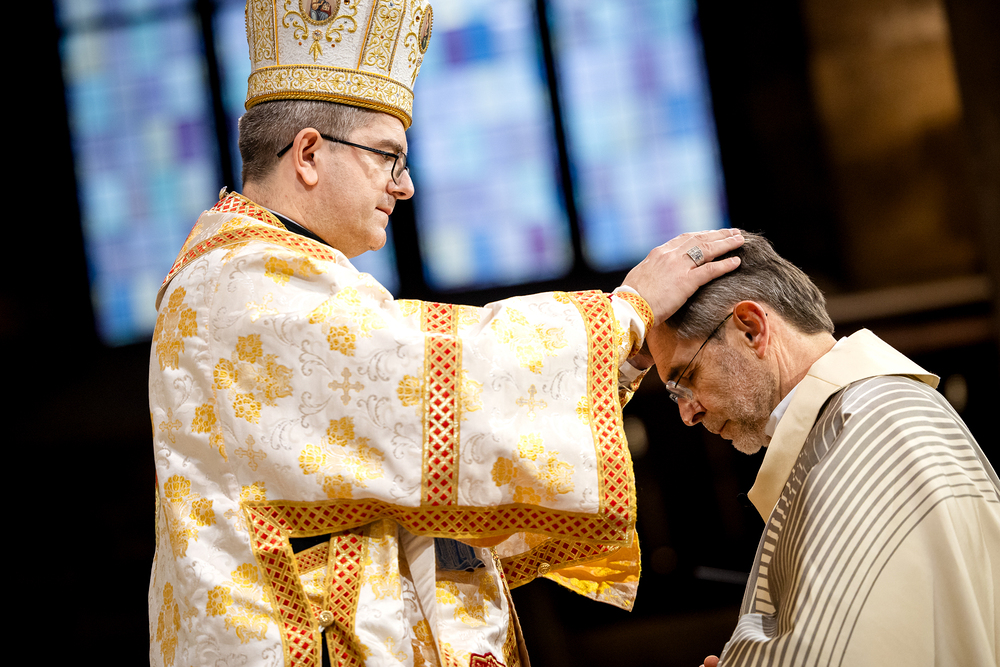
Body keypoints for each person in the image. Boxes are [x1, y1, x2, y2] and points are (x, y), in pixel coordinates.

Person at [147, 2, 744, 666]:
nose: (404, 187)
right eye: (389, 156)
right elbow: (434, 376)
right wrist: (623, 314)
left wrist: (618, 356)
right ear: (309, 154)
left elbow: (425, 451)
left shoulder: (277, 274)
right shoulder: (239, 281)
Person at [646, 233, 1000, 666]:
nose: (688, 414)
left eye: (687, 378)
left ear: (751, 329)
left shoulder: (872, 424)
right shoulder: (844, 430)